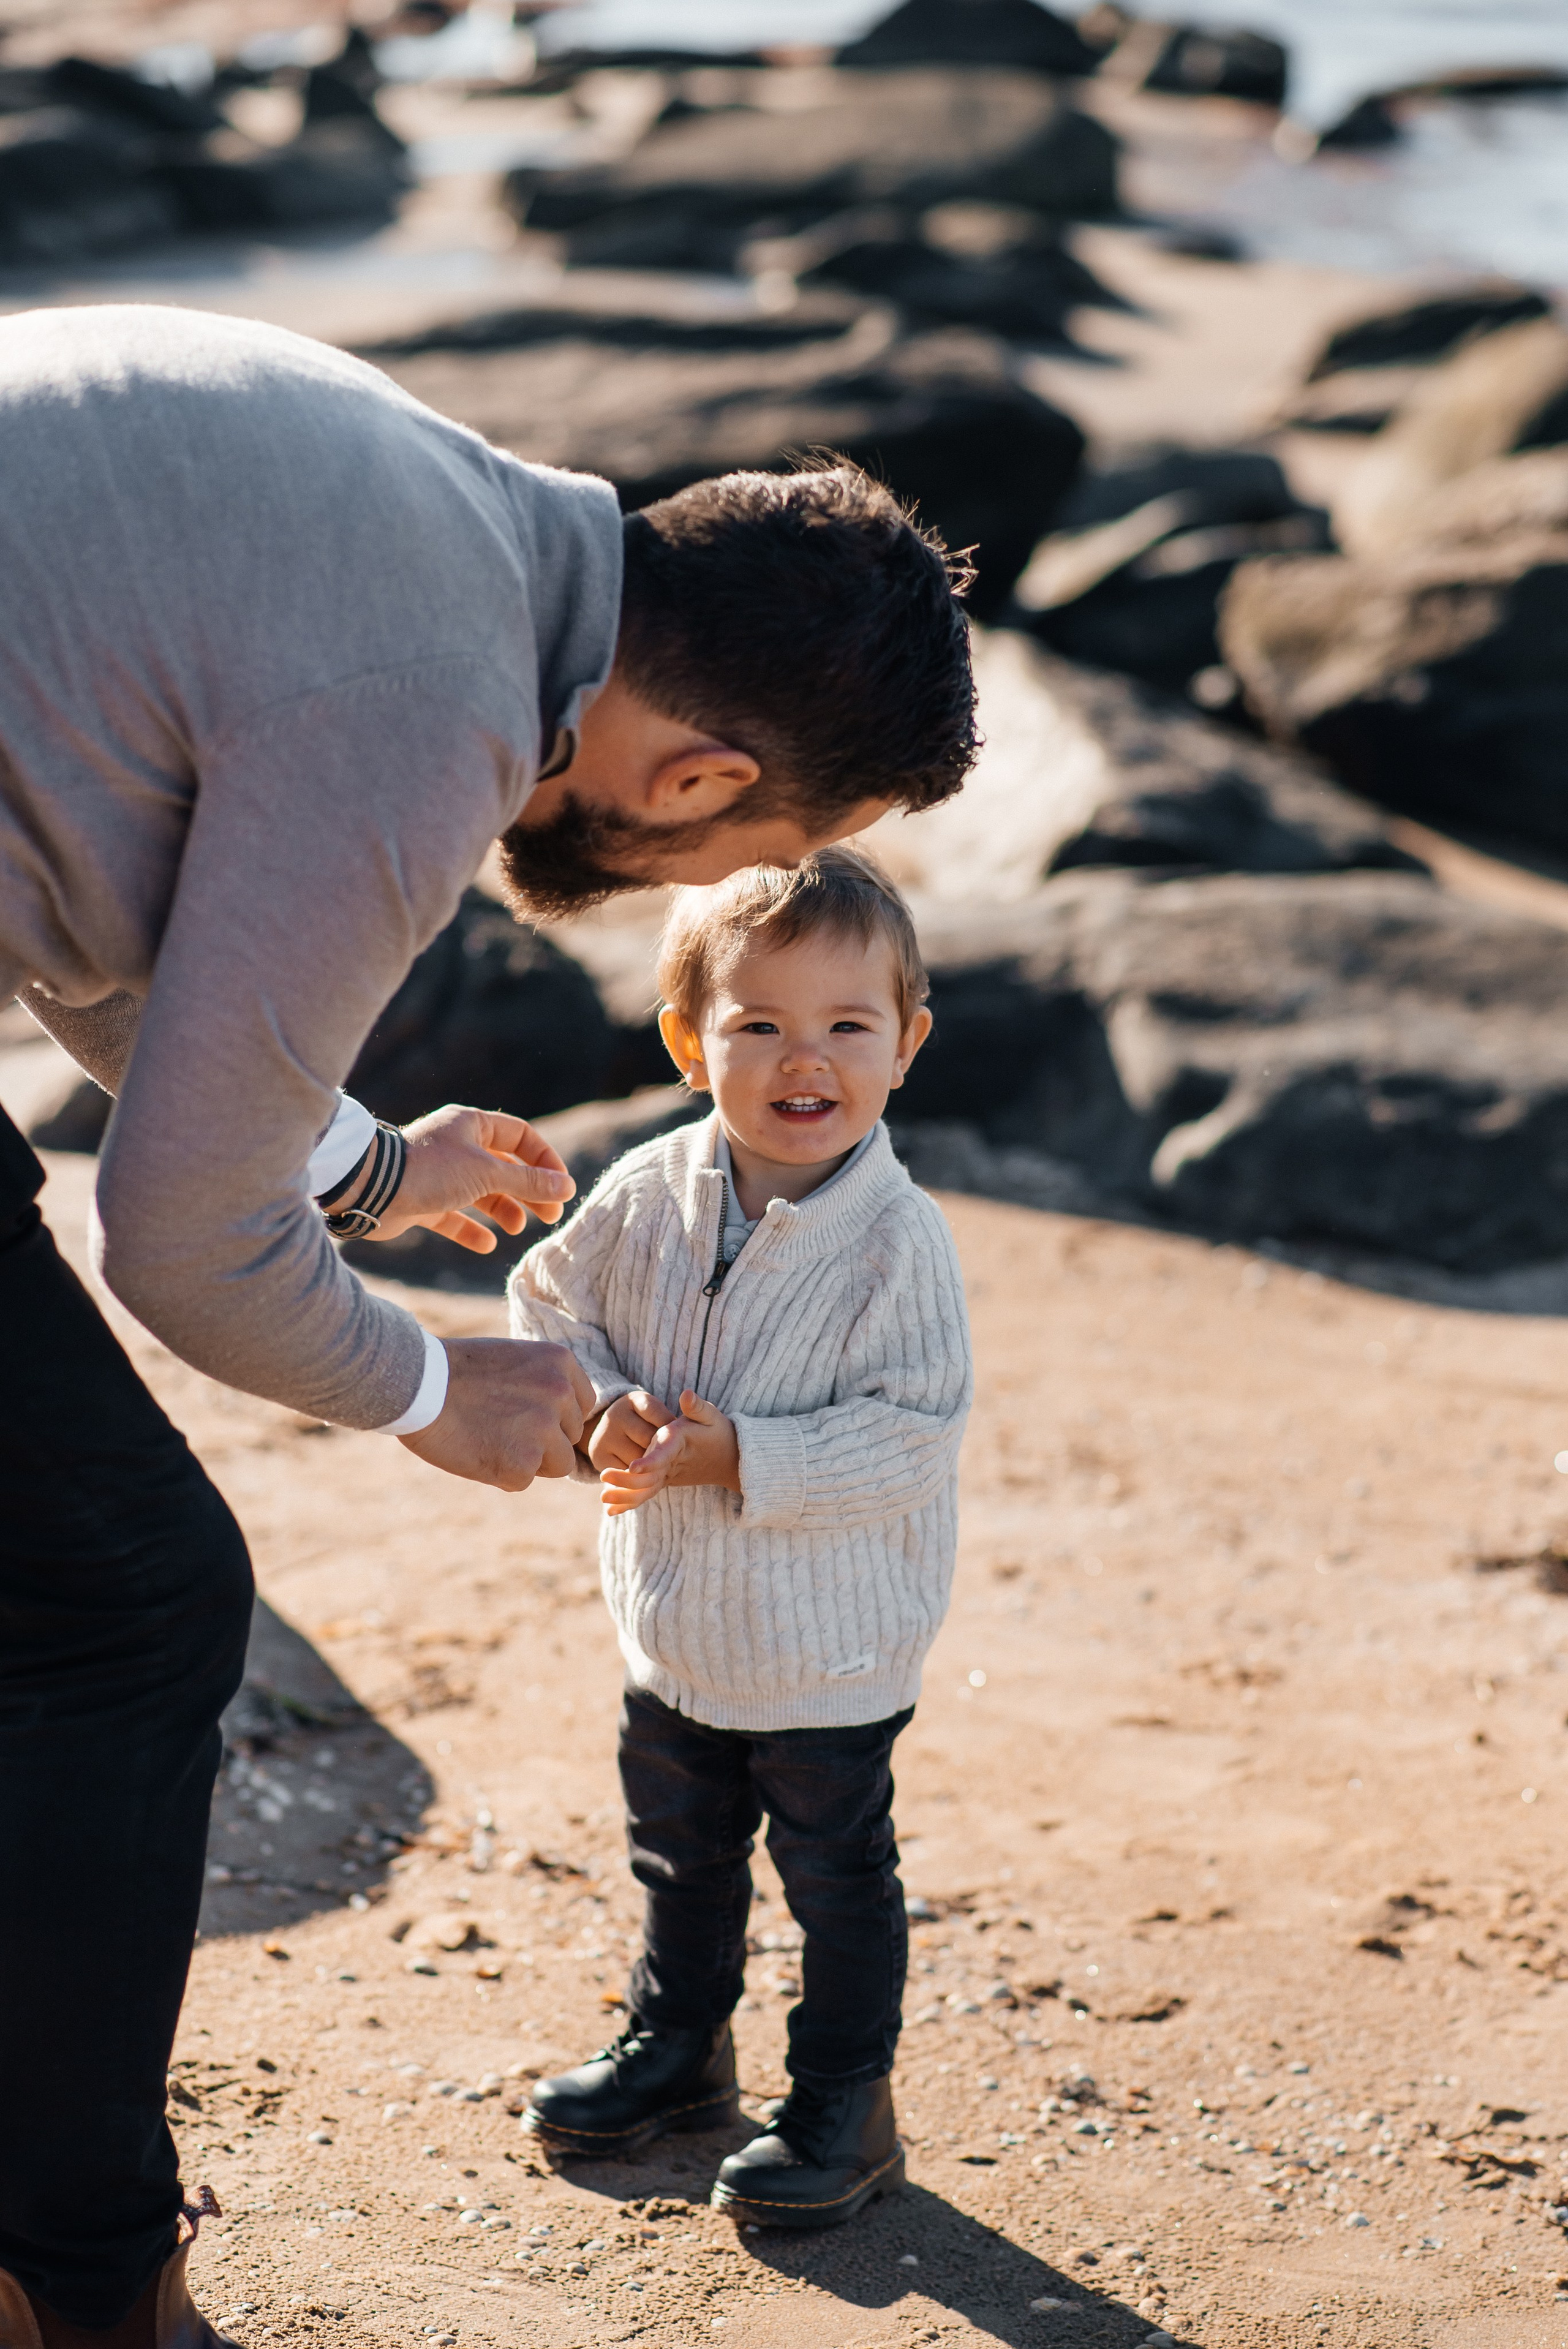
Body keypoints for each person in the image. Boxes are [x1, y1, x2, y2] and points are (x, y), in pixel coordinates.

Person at [0, 307, 978, 2345]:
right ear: (708, 777)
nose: (680, 884)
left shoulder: (404, 486)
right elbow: (175, 1234)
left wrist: (365, 1173)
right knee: (129, 1597)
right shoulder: (434, 699)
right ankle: (74, 2289)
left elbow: (99, 899)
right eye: (732, 854)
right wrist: (436, 1380)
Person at [508, 848, 973, 2227]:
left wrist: (740, 1453)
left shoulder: (897, 1242)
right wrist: (596, 1408)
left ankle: (843, 2096)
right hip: (672, 1621)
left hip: (829, 1645)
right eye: (756, 1022)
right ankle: (677, 2047)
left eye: (845, 1024)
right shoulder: (649, 1191)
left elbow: (911, 1433)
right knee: (680, 1852)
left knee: (833, 1874)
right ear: (684, 1038)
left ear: (906, 1045)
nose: (801, 1058)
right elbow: (547, 1302)